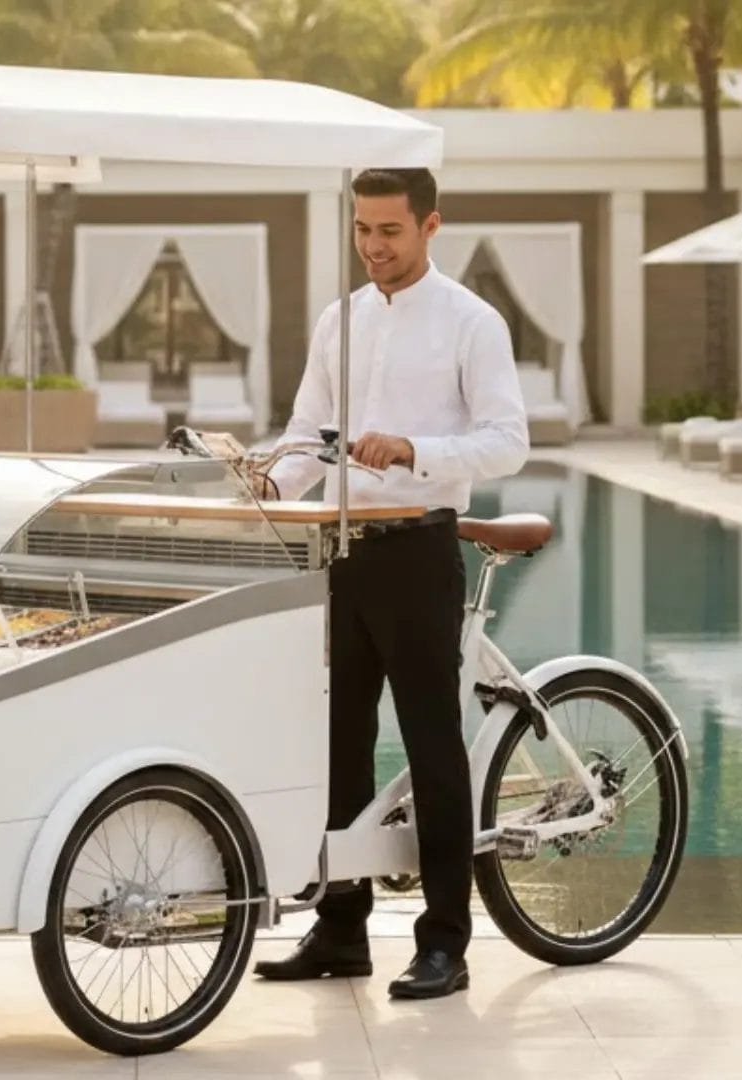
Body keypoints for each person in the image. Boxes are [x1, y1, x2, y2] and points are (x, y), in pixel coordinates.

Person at [255, 167, 528, 1001]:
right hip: (341, 553)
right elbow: (307, 434)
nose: (373, 246)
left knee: (431, 744)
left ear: (430, 225)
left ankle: (445, 943)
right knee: (336, 741)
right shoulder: (339, 319)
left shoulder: (472, 322)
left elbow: (508, 442)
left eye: (389, 231)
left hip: (418, 552)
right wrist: (268, 486)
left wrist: (416, 450)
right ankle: (342, 931)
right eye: (362, 229)